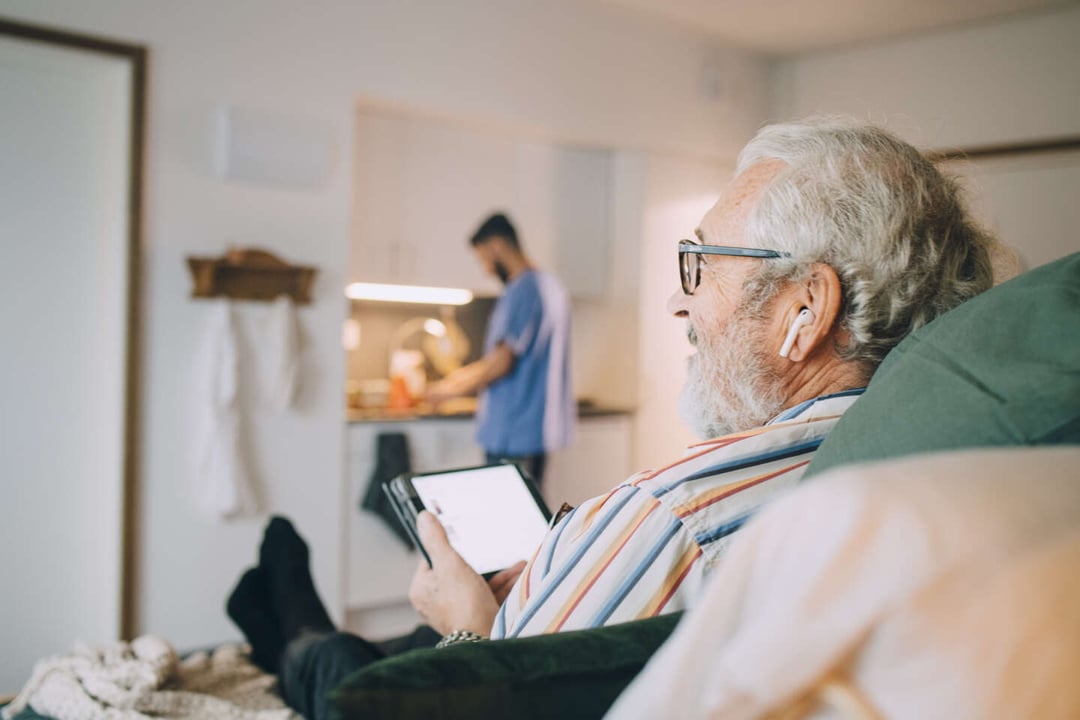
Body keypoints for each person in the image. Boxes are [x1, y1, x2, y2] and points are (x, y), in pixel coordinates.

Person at [227, 118, 996, 720]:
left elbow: (491, 702)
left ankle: (287, 621)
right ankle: (285, 612)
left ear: (804, 313)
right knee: (362, 641)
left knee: (337, 666)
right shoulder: (951, 473)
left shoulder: (671, 515)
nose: (677, 300)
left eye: (701, 264)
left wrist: (466, 628)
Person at [425, 212, 574, 486]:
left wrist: (449, 390)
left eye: (483, 258)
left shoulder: (523, 289)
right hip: (535, 431)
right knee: (529, 512)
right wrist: (456, 379)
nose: (486, 270)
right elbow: (503, 356)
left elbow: (502, 362)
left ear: (497, 246)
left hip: (513, 432)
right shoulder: (550, 285)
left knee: (510, 517)